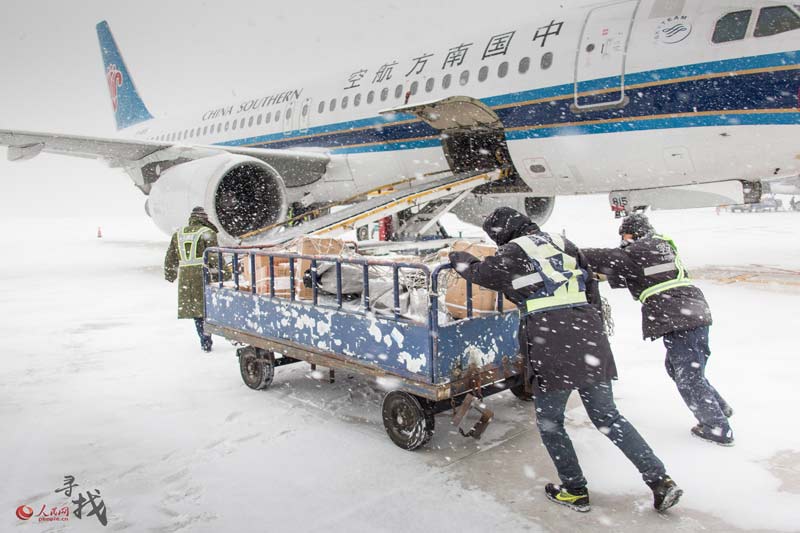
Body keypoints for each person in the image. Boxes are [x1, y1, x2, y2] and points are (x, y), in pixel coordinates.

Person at [449, 207, 681, 513]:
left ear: (503, 232)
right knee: (609, 417)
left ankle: (574, 489)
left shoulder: (512, 252)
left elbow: (479, 273)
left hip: (550, 339)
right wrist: (592, 327)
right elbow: (591, 286)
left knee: (550, 422)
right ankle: (660, 480)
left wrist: (458, 258)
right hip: (588, 334)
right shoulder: (563, 242)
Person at [582, 214, 734, 446]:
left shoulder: (641, 248)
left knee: (687, 375)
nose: (623, 241)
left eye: (625, 236)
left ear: (633, 233)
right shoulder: (660, 246)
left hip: (680, 316)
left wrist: (568, 251)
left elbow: (604, 257)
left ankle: (717, 427)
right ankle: (719, 408)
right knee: (680, 368)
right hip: (690, 312)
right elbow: (632, 274)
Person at [164, 206, 223, 352]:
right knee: (208, 307)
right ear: (204, 218)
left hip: (186, 277)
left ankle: (204, 340)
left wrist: (170, 274)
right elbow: (214, 257)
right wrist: (224, 275)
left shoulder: (179, 234)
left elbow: (170, 257)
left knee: (196, 310)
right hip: (202, 274)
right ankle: (210, 335)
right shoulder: (207, 233)